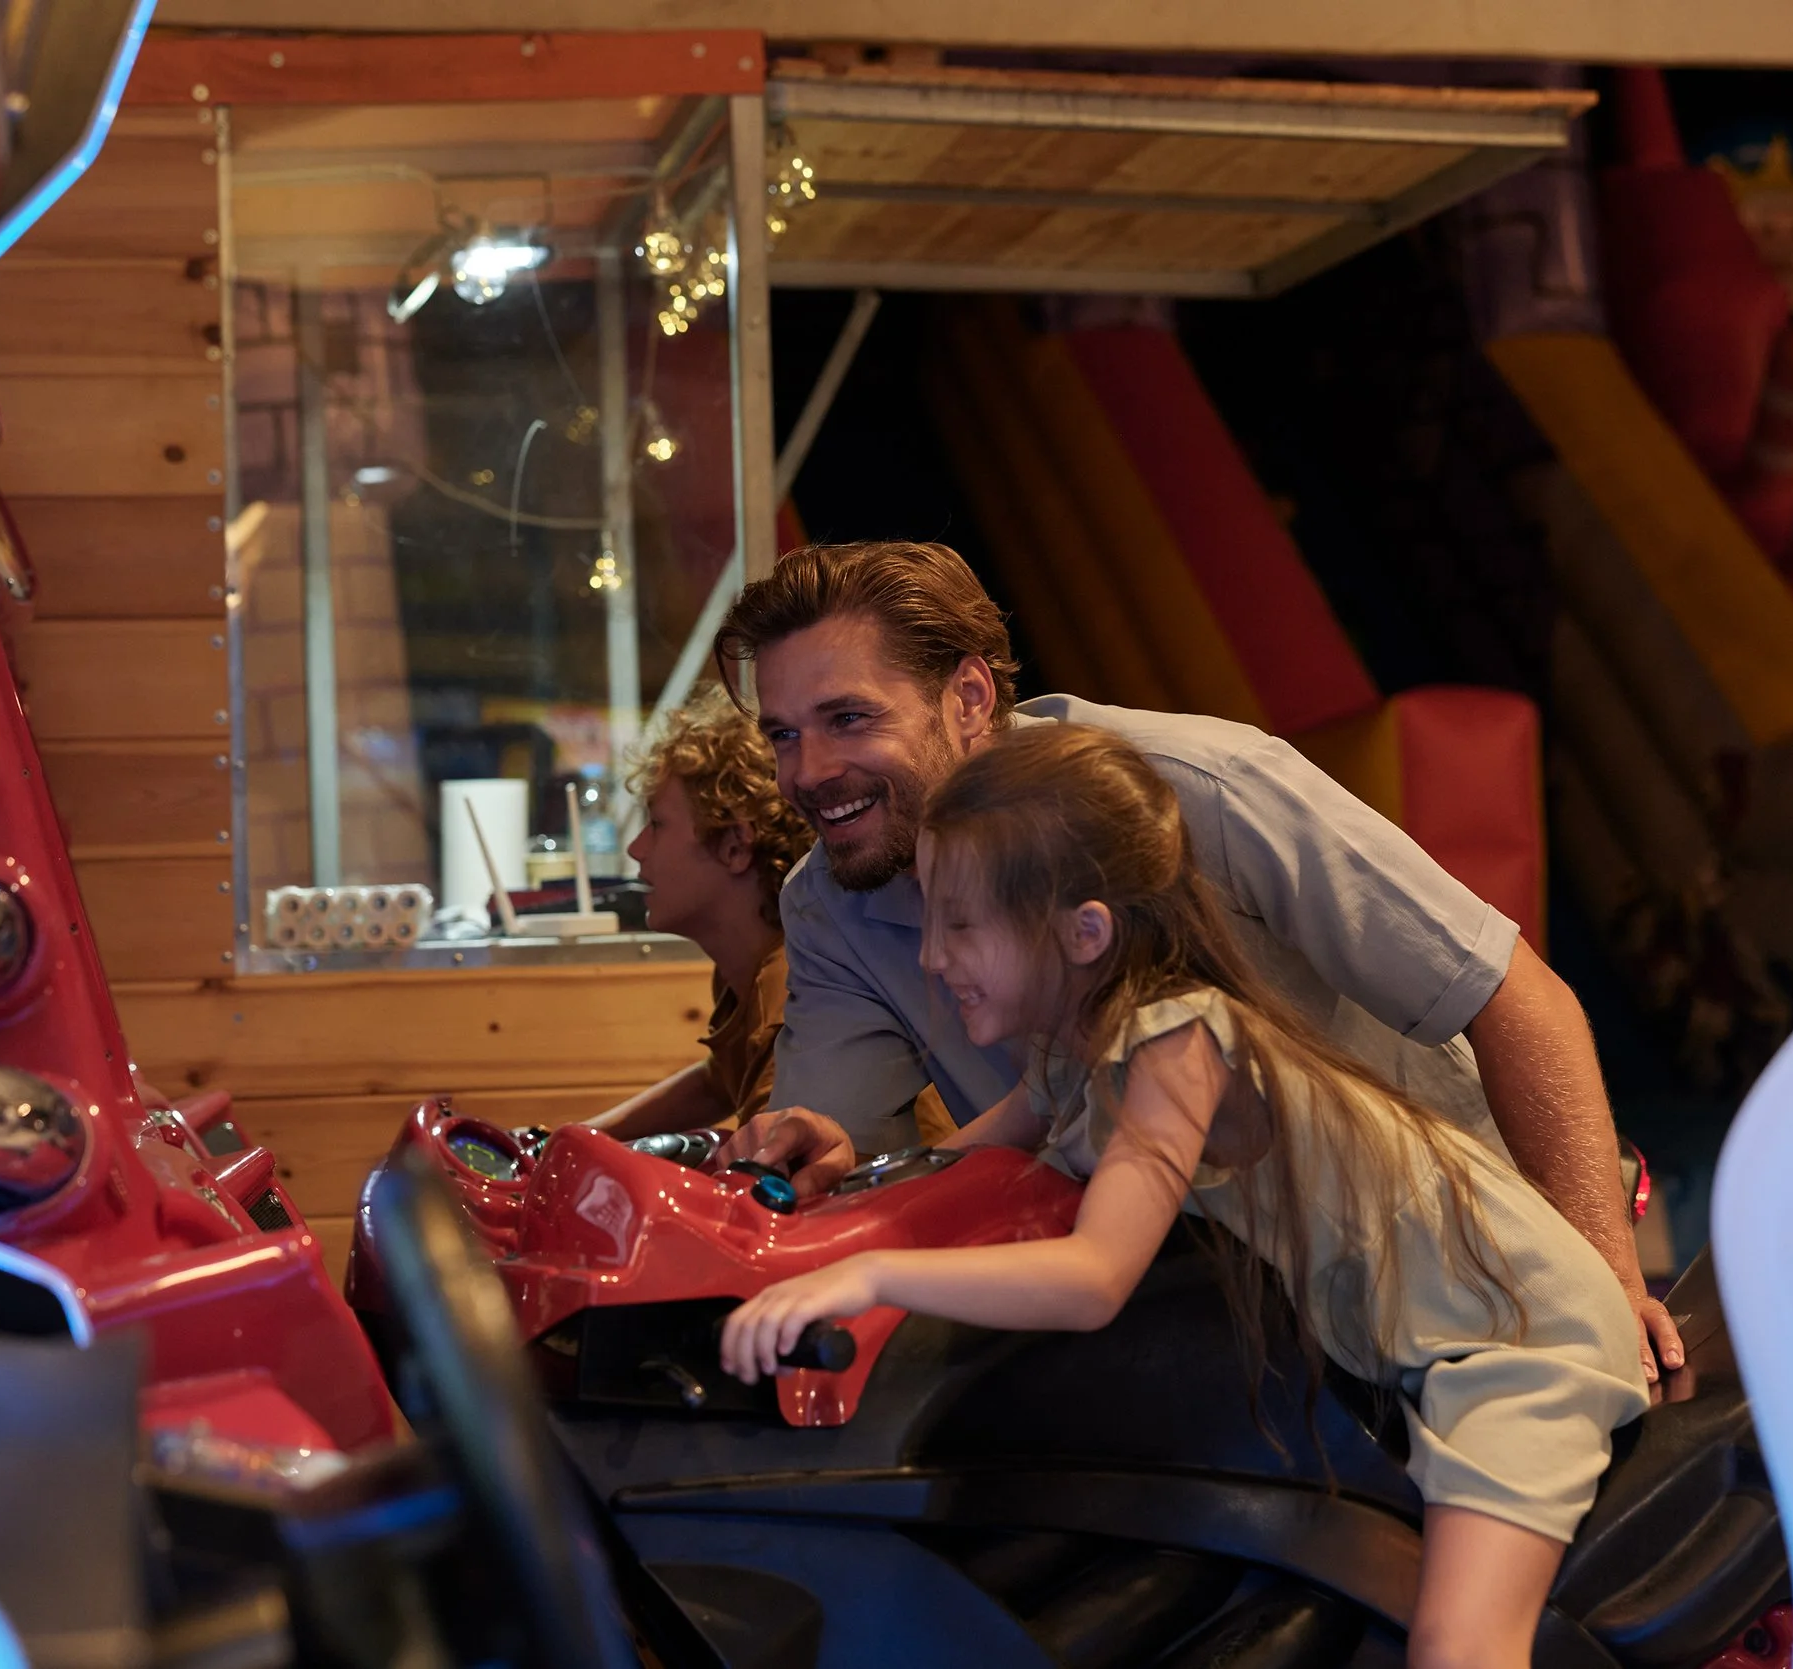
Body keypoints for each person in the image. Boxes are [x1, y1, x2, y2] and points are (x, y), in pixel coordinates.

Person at [719, 726, 1648, 1669]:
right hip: (1416, 1345)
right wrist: (818, 1200)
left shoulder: (1176, 1041)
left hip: (1516, 1339)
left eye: (960, 925)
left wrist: (872, 1277)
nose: (929, 957)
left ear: (1084, 933)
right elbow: (951, 1172)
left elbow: (1094, 1276)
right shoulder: (1072, 1052)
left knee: (1459, 1647)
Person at [715, 541, 1684, 1381]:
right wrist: (831, 1165)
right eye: (783, 735)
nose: (807, 772)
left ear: (968, 698)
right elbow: (879, 1164)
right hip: (1228, 1307)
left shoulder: (1199, 790)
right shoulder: (829, 898)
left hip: (1455, 1267)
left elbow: (1512, 994)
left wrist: (1605, 1286)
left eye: (848, 719)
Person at [585, 687, 819, 1137]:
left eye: (657, 824)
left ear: (734, 846)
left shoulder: (791, 999)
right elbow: (719, 1082)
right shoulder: (749, 968)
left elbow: (767, 1168)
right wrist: (577, 1137)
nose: (636, 850)